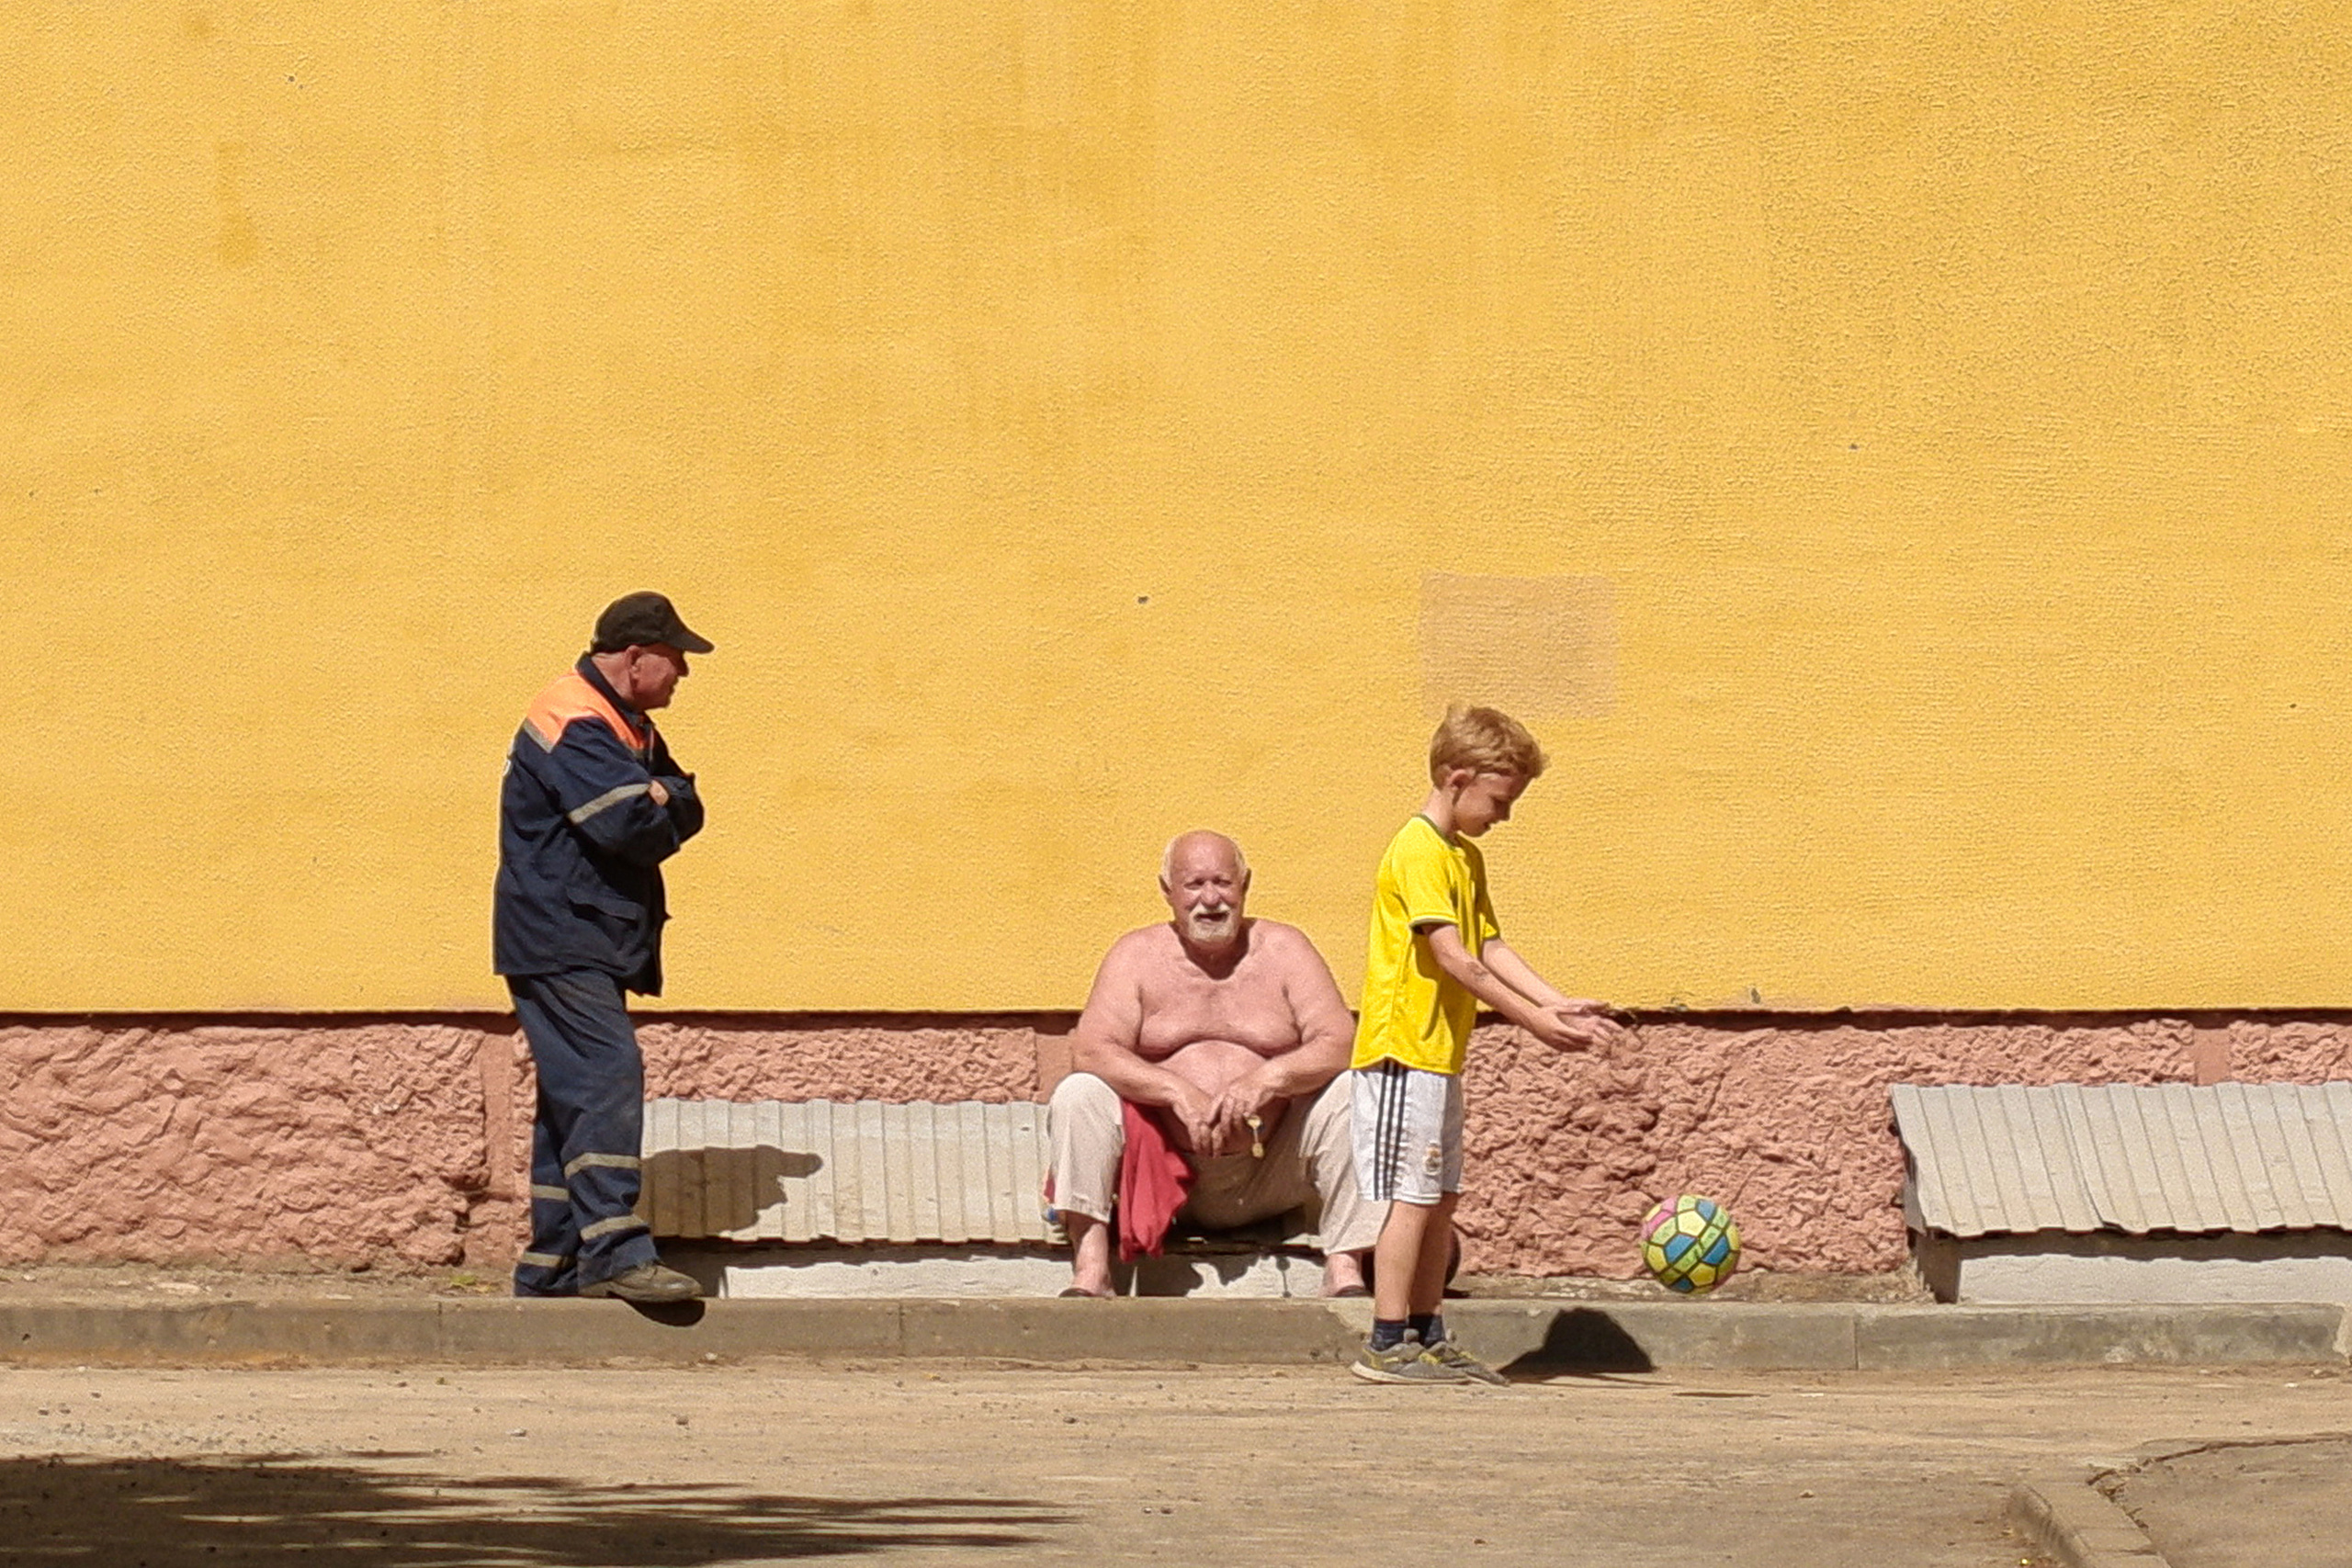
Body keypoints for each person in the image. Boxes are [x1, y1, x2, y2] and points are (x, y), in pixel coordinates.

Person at [1348, 705, 1626, 1383]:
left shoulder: (1462, 857)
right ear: (1457, 777)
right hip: (1402, 1051)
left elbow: (1489, 945)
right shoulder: (1416, 850)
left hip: (1440, 1055)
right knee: (1410, 1197)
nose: (1503, 816)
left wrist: (1552, 999)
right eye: (1499, 800)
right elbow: (1455, 960)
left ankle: (1426, 1330)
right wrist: (1532, 1024)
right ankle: (1387, 1340)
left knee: (1440, 1195)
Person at [493, 592, 713, 1303]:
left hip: (579, 934)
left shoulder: (628, 725)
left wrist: (662, 796)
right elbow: (626, 827)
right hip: (561, 935)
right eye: (675, 661)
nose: (682, 674)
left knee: (569, 1100)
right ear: (634, 657)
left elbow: (686, 804)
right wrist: (652, 800)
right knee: (606, 1074)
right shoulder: (577, 717)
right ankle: (617, 1251)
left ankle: (552, 1265)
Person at [1046, 831, 1381, 1298]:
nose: (1210, 900)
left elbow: (1341, 1042)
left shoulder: (1284, 949)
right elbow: (1093, 1050)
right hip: (1170, 1172)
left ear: (1245, 884)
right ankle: (1092, 1270)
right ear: (1167, 892)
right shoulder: (1136, 955)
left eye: (1223, 882)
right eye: (1193, 885)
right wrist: (1176, 1091)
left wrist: (1268, 1079)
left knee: (1357, 1089)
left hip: (1272, 1171)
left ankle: (1344, 1269)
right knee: (1079, 1092)